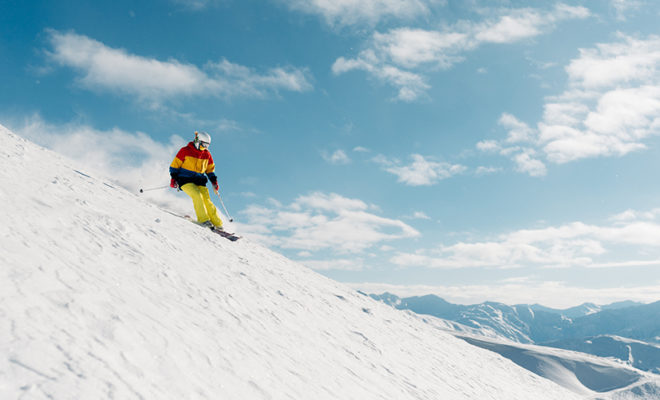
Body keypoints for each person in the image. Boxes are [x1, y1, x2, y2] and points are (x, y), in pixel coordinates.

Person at [169, 131, 224, 230]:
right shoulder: (185, 151)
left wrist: (214, 181)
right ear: (198, 141)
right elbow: (174, 166)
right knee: (197, 195)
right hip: (185, 180)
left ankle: (217, 224)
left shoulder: (207, 154)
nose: (205, 147)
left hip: (199, 181)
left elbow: (210, 170)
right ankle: (203, 220)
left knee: (207, 200)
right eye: (203, 145)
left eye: (207, 145)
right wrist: (173, 179)